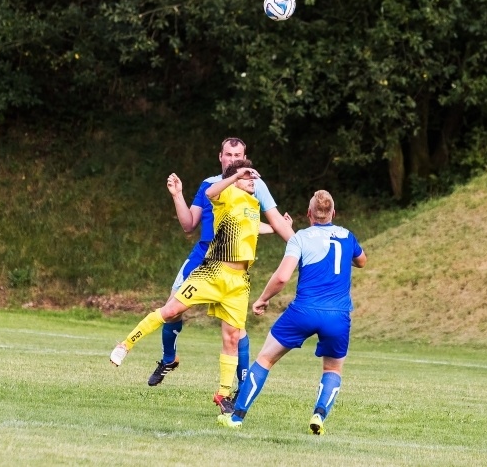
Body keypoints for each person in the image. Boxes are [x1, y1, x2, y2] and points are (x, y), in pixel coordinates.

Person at [110, 160, 282, 414]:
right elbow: (211, 193)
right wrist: (236, 178)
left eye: (253, 177)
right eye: (248, 177)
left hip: (238, 282)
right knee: (170, 311)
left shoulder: (252, 203)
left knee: (232, 337)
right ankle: (125, 344)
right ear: (235, 177)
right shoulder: (224, 192)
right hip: (212, 271)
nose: (252, 180)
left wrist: (277, 228)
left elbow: (254, 226)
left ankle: (223, 395)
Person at [149, 137, 294, 392]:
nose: (234, 160)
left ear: (245, 157)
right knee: (171, 310)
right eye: (229, 155)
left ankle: (241, 384)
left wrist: (301, 246)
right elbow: (187, 225)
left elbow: (272, 221)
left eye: (238, 155)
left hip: (230, 262)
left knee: (236, 330)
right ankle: (169, 359)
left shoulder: (255, 184)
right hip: (202, 255)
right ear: (220, 157)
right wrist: (178, 195)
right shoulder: (210, 185)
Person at [218, 190, 367, 434]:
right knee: (332, 369)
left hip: (303, 312)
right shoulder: (347, 236)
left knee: (265, 359)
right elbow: (362, 261)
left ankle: (236, 417)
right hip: (338, 316)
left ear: (309, 214)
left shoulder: (300, 238)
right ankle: (319, 415)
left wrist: (263, 299)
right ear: (333, 214)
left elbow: (282, 277)